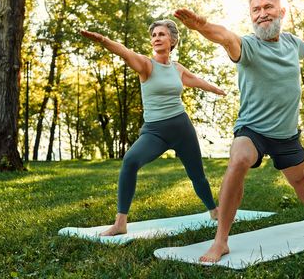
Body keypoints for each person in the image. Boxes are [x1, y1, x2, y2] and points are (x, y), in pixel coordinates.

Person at [174, 0, 304, 262]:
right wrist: (201, 26)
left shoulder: (292, 43)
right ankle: (221, 240)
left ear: (281, 12)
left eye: (268, 7)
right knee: (239, 159)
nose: (262, 14)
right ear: (250, 16)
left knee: (300, 180)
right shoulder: (247, 46)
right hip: (253, 130)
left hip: (286, 134)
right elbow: (224, 37)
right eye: (256, 10)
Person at [80, 19, 225, 236]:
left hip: (182, 128)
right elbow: (125, 53)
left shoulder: (177, 68)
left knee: (197, 175)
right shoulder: (146, 65)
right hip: (155, 132)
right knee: (130, 161)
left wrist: (216, 90)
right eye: (154, 35)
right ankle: (120, 223)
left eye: (162, 34)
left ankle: (214, 211)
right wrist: (103, 40)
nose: (156, 38)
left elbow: (195, 80)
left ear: (172, 40)